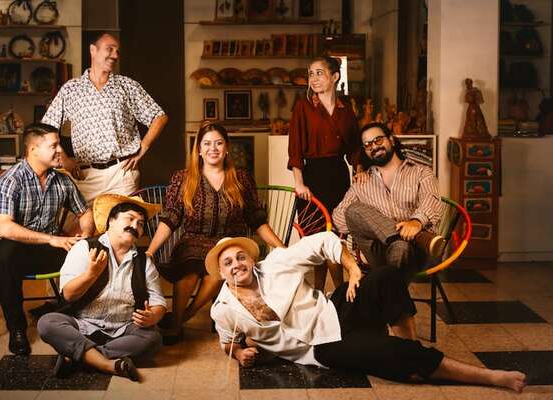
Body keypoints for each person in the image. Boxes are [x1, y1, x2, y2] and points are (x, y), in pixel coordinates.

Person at [206, 232, 526, 393]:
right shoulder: (223, 309)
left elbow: (323, 241)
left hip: (334, 309)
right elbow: (228, 342)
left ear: (251, 258)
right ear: (221, 273)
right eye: (228, 263)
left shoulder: (276, 263)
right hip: (319, 348)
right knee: (384, 352)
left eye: (240, 257)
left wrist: (353, 269)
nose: (237, 265)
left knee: (385, 275)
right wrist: (240, 353)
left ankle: (409, 348)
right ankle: (489, 376)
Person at [146, 122, 284, 344]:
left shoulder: (241, 178)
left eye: (219, 143)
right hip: (193, 240)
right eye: (207, 144)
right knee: (189, 268)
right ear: (199, 149)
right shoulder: (183, 178)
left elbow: (256, 219)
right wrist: (150, 251)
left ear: (226, 147)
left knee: (219, 267)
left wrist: (281, 247)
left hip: (229, 241)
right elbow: (170, 219)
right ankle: (177, 323)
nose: (213, 148)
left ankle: (182, 318)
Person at [0, 123, 94, 356]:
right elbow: (4, 228)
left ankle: (74, 317)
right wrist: (51, 239)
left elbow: (85, 212)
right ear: (33, 150)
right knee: (4, 255)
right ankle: (17, 329)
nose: (60, 151)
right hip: (13, 250)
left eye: (59, 145)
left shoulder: (62, 181)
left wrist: (85, 235)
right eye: (54, 146)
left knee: (92, 249)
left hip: (46, 250)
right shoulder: (10, 180)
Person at [38, 194, 166, 381]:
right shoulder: (84, 248)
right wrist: (90, 274)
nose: (135, 226)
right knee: (47, 323)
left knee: (153, 339)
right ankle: (108, 364)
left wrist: (153, 316)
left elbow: (158, 302)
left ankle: (78, 356)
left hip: (123, 328)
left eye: (140, 223)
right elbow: (68, 295)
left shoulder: (144, 261)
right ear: (111, 222)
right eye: (130, 218)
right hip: (82, 325)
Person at [41, 32, 169, 205]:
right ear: (93, 50)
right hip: (85, 176)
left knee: (125, 221)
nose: (115, 55)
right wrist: (64, 160)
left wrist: (143, 148)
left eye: (117, 51)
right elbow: (46, 127)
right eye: (110, 49)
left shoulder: (127, 85)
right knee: (82, 222)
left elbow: (159, 116)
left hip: (122, 174)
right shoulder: (71, 89)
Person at [332, 122, 445, 282]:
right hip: (381, 252)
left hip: (417, 253)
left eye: (378, 140)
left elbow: (431, 200)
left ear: (391, 140)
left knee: (400, 247)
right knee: (353, 210)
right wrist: (370, 221)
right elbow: (339, 221)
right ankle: (417, 237)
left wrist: (417, 222)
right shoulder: (362, 183)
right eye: (368, 145)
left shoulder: (421, 172)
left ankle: (389, 296)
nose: (374, 146)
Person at [288, 55, 362, 290]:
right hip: (312, 177)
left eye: (319, 73)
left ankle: (337, 293)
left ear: (335, 77)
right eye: (311, 74)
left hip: (339, 177)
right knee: (316, 239)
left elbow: (355, 147)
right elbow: (295, 147)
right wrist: (299, 183)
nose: (314, 78)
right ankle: (327, 291)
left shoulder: (345, 109)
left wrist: (359, 171)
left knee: (336, 238)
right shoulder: (303, 107)